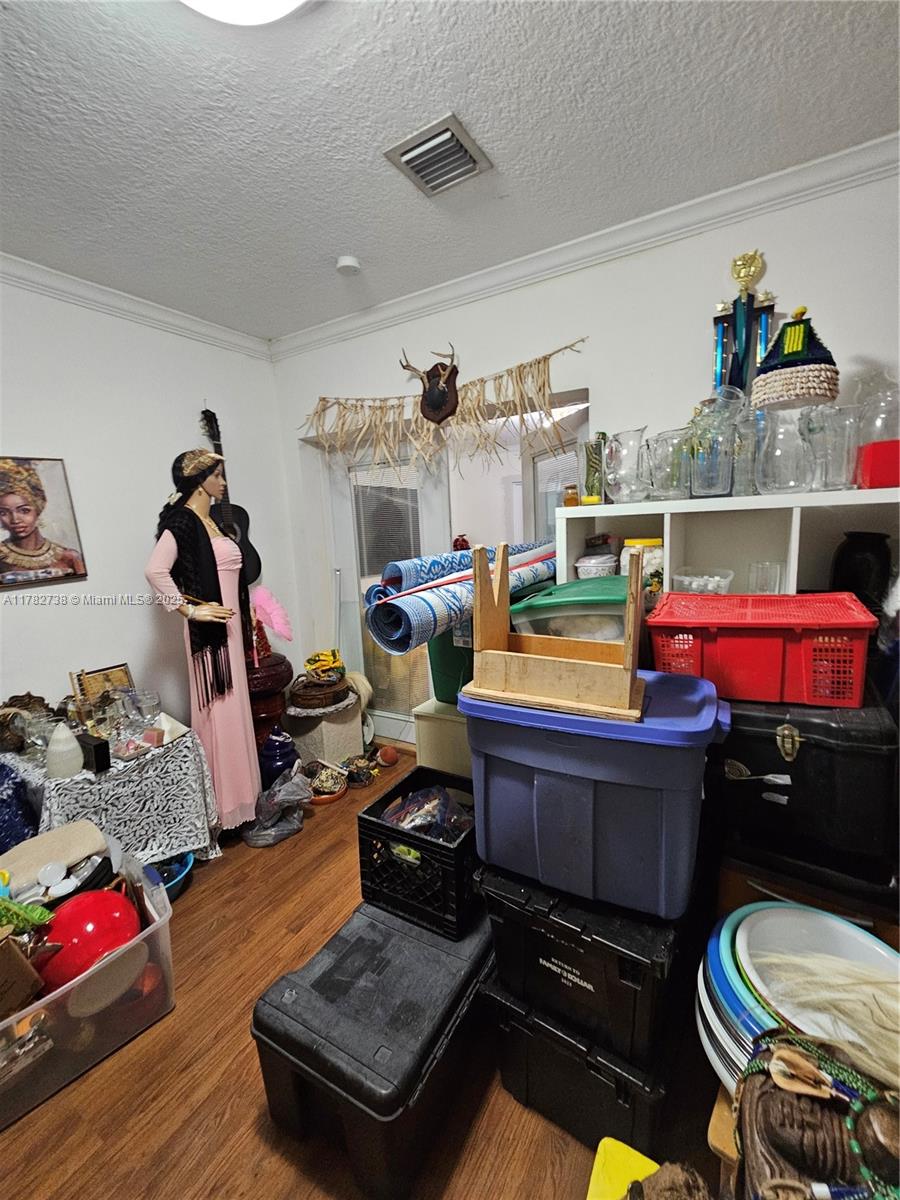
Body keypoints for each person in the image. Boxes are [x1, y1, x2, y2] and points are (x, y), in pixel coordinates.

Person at [145, 449, 260, 829]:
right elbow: (155, 571)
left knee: (236, 713)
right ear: (199, 480)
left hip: (229, 631)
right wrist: (191, 611)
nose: (223, 482)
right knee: (220, 715)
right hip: (211, 641)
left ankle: (246, 803)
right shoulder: (182, 521)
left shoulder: (211, 522)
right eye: (217, 475)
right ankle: (223, 809)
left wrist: (245, 609)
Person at [0, 459, 86, 584]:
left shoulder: (69, 557)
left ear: (38, 510)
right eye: (3, 513)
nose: (15, 520)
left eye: (24, 511)